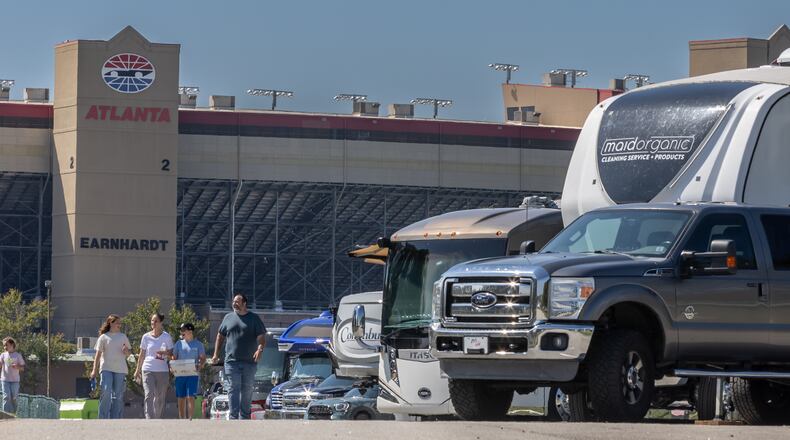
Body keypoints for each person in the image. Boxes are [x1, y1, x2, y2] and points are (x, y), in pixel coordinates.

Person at [211, 294, 266, 420]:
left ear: (244, 303)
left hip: (250, 363)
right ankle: (233, 417)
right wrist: (215, 354)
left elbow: (262, 338)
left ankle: (245, 418)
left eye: (237, 302)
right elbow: (220, 336)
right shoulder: (228, 318)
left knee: (247, 391)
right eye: (233, 302)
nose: (234, 304)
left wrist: (260, 349)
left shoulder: (254, 318)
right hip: (231, 362)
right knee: (233, 388)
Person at [90, 315, 131, 419]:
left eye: (120, 323)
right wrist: (94, 370)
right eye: (117, 322)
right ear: (111, 323)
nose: (119, 325)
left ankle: (115, 419)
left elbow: (128, 353)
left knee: (118, 396)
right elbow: (98, 355)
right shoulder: (103, 337)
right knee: (106, 391)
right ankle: (102, 418)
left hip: (120, 369)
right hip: (106, 369)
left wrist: (126, 351)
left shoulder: (123, 337)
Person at [133, 313, 174, 419]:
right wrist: (137, 370)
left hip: (162, 370)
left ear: (161, 323)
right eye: (152, 321)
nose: (153, 323)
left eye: (155, 321)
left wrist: (164, 353)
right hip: (147, 369)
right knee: (149, 394)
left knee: (160, 397)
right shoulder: (145, 337)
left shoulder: (166, 336)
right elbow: (142, 354)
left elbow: (171, 355)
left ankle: (157, 418)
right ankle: (149, 419)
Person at [172, 322, 206, 420]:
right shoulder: (178, 344)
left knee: (190, 396)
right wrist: (172, 365)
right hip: (180, 374)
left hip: (193, 374)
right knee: (181, 397)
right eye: (181, 330)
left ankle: (190, 418)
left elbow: (202, 358)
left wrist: (201, 364)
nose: (181, 332)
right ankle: (182, 418)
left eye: (183, 330)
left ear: (190, 331)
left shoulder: (199, 344)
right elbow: (174, 357)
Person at [0, 337, 25, 414]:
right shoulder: (3, 355)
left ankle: (14, 413)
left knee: (14, 398)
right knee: (6, 397)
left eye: (6, 345)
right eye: (4, 345)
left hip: (15, 381)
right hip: (5, 380)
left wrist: (17, 367)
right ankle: (6, 414)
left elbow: (22, 368)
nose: (5, 347)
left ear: (12, 345)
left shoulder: (18, 355)